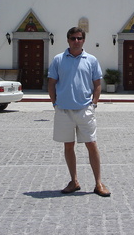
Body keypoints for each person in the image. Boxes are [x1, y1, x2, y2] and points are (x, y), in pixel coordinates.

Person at [47, 27, 111, 197]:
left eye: (79, 38)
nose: (76, 41)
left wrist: (94, 104)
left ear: (84, 40)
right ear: (68, 40)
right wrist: (55, 104)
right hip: (63, 111)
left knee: (92, 144)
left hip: (85, 110)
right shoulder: (58, 60)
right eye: (73, 38)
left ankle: (98, 183)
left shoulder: (91, 60)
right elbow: (51, 83)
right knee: (68, 145)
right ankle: (74, 181)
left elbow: (97, 84)